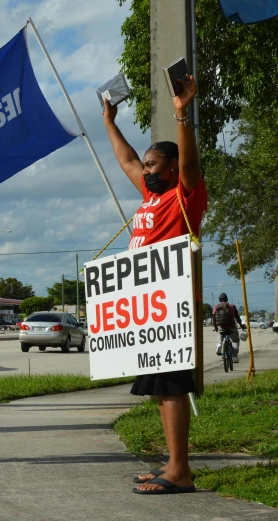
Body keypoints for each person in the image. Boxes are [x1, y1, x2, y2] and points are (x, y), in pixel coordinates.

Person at [103, 73, 206, 495]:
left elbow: (189, 163)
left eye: (152, 165)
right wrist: (109, 121)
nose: (144, 171)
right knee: (158, 390)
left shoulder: (185, 193)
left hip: (171, 304)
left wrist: (182, 115)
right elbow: (126, 159)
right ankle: (172, 463)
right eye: (144, 167)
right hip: (147, 307)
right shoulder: (149, 197)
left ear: (170, 167)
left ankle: (180, 470)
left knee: (172, 386)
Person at [212, 292, 244, 362]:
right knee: (235, 341)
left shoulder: (216, 307)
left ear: (219, 300)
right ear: (227, 299)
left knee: (219, 335)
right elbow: (237, 318)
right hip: (232, 327)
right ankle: (235, 357)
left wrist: (215, 327)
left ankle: (219, 344)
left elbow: (214, 319)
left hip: (221, 327)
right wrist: (241, 325)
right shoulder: (232, 306)